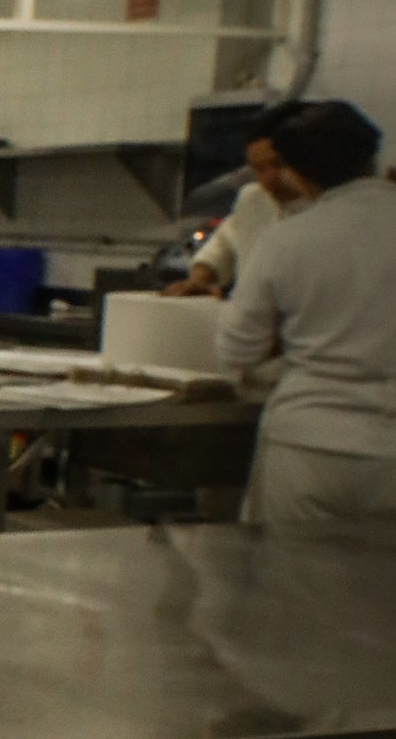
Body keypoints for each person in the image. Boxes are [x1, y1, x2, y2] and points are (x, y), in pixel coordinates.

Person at [216, 97, 396, 536]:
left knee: (292, 587)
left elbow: (235, 347)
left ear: (297, 170)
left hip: (308, 444)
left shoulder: (287, 240)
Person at [161, 109, 299, 297]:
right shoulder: (253, 200)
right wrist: (199, 279)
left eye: (278, 164)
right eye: (259, 169)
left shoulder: (328, 209)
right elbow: (222, 246)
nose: (269, 178)